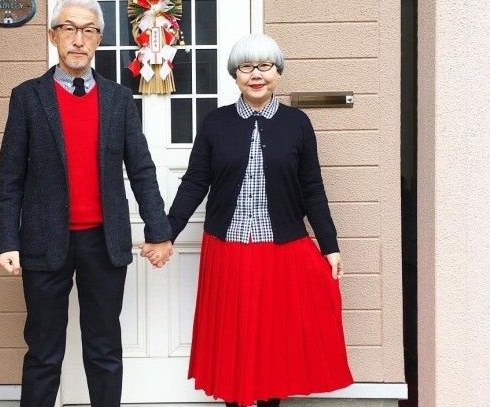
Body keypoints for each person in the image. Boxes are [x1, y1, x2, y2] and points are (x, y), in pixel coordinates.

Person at [141, 33, 354, 406]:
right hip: (228, 250)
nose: (256, 74)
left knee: (274, 341)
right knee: (233, 339)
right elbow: (195, 183)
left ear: (278, 72)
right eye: (246, 67)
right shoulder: (215, 123)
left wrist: (330, 245)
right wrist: (166, 233)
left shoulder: (297, 124)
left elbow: (312, 189)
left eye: (265, 66)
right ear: (235, 74)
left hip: (280, 250)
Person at [0, 0, 173, 406]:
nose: (78, 39)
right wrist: (7, 240)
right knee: (43, 352)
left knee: (104, 349)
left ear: (99, 39)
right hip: (43, 242)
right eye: (69, 29)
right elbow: (9, 176)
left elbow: (142, 169)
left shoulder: (119, 99)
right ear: (52, 35)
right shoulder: (27, 97)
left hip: (104, 243)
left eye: (88, 30)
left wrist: (159, 231)